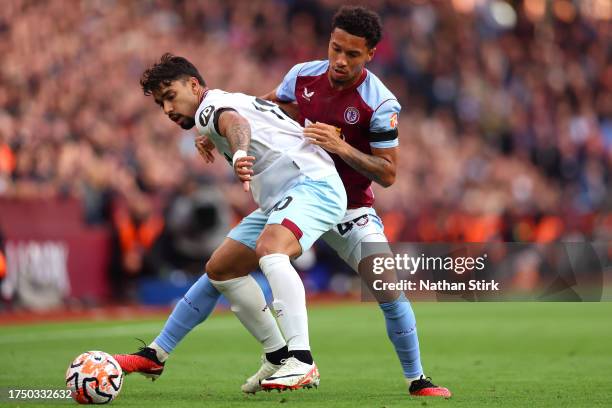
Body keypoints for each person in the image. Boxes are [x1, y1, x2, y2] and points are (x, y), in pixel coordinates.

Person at [114, 53, 348, 391]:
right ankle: (161, 352)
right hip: (284, 194)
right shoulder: (220, 104)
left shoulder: (211, 109)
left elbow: (236, 124)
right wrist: (217, 137)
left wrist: (238, 152)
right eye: (160, 104)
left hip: (311, 184)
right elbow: (251, 116)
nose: (167, 109)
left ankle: (302, 359)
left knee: (270, 249)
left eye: (170, 97)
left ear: (194, 85)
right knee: (221, 269)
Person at [258, 5, 451, 398]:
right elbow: (266, 108)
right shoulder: (301, 76)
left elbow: (388, 173)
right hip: (300, 199)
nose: (340, 61)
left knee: (388, 290)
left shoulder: (380, 103)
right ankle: (159, 352)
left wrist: (341, 147)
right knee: (222, 266)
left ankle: (417, 379)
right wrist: (219, 126)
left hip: (351, 209)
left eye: (351, 54)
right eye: (335, 49)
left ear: (370, 55)